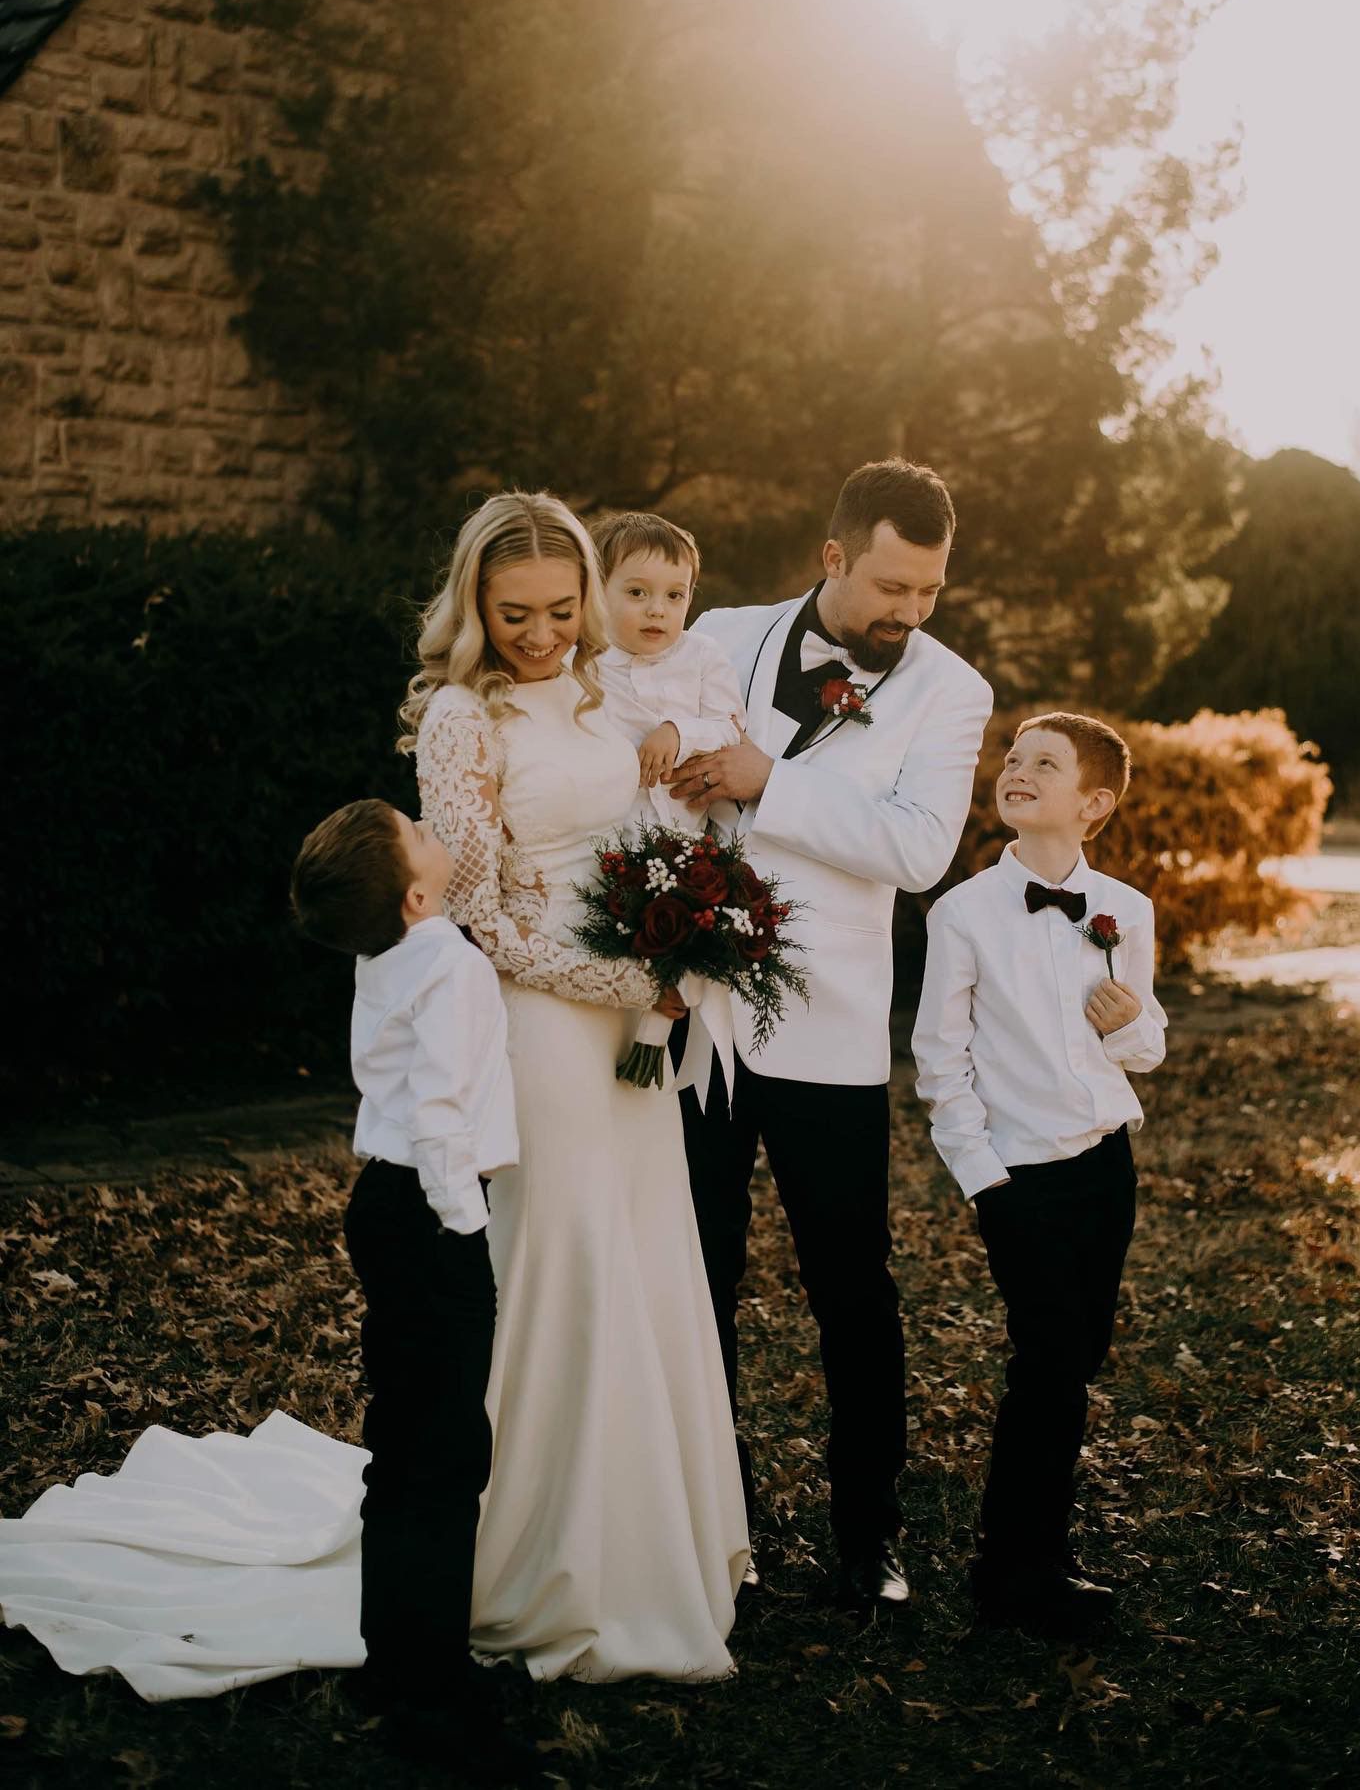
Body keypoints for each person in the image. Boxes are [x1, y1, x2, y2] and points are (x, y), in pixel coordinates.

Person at [405, 489, 749, 1681]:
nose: (542, 636)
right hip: (540, 1021)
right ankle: (528, 1551)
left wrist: (688, 941)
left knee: (650, 1246)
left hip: (634, 1011)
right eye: (514, 614)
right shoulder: (458, 717)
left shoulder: (608, 691)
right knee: (564, 1252)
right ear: (474, 602)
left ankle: (652, 1544)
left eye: (561, 610)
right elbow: (469, 910)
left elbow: (652, 828)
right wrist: (614, 978)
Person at [667, 459, 993, 1614]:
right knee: (695, 1278)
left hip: (830, 1034)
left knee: (852, 1290)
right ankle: (719, 1528)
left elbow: (918, 853)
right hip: (696, 1021)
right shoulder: (721, 633)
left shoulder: (954, 694)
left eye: (930, 592)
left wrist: (765, 785)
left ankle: (871, 1537)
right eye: (891, 587)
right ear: (834, 555)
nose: (909, 613)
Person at [288, 796, 533, 1781]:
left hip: (380, 1204)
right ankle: (434, 1695)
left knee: (402, 1443)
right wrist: (466, 1227)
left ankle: (393, 1658)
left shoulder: (386, 954)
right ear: (418, 894)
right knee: (445, 1455)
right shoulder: (450, 961)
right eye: (420, 834)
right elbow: (438, 1109)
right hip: (430, 1212)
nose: (434, 830)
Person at [911, 712, 1167, 1638]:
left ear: (1093, 803)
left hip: (1106, 1164)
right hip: (1020, 1176)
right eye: (1013, 760)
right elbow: (940, 1062)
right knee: (1048, 1363)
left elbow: (1148, 1046)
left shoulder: (1125, 910)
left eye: (1043, 764)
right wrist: (985, 1180)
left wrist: (1125, 1020)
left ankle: (1041, 1548)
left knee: (1076, 1358)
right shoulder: (963, 912)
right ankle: (1011, 1571)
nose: (1016, 772)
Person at [591, 510, 748, 832]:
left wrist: (679, 733)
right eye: (637, 593)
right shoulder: (582, 665)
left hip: (684, 842)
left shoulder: (702, 654)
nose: (657, 610)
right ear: (597, 591)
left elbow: (730, 729)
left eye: (675, 595)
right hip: (604, 839)